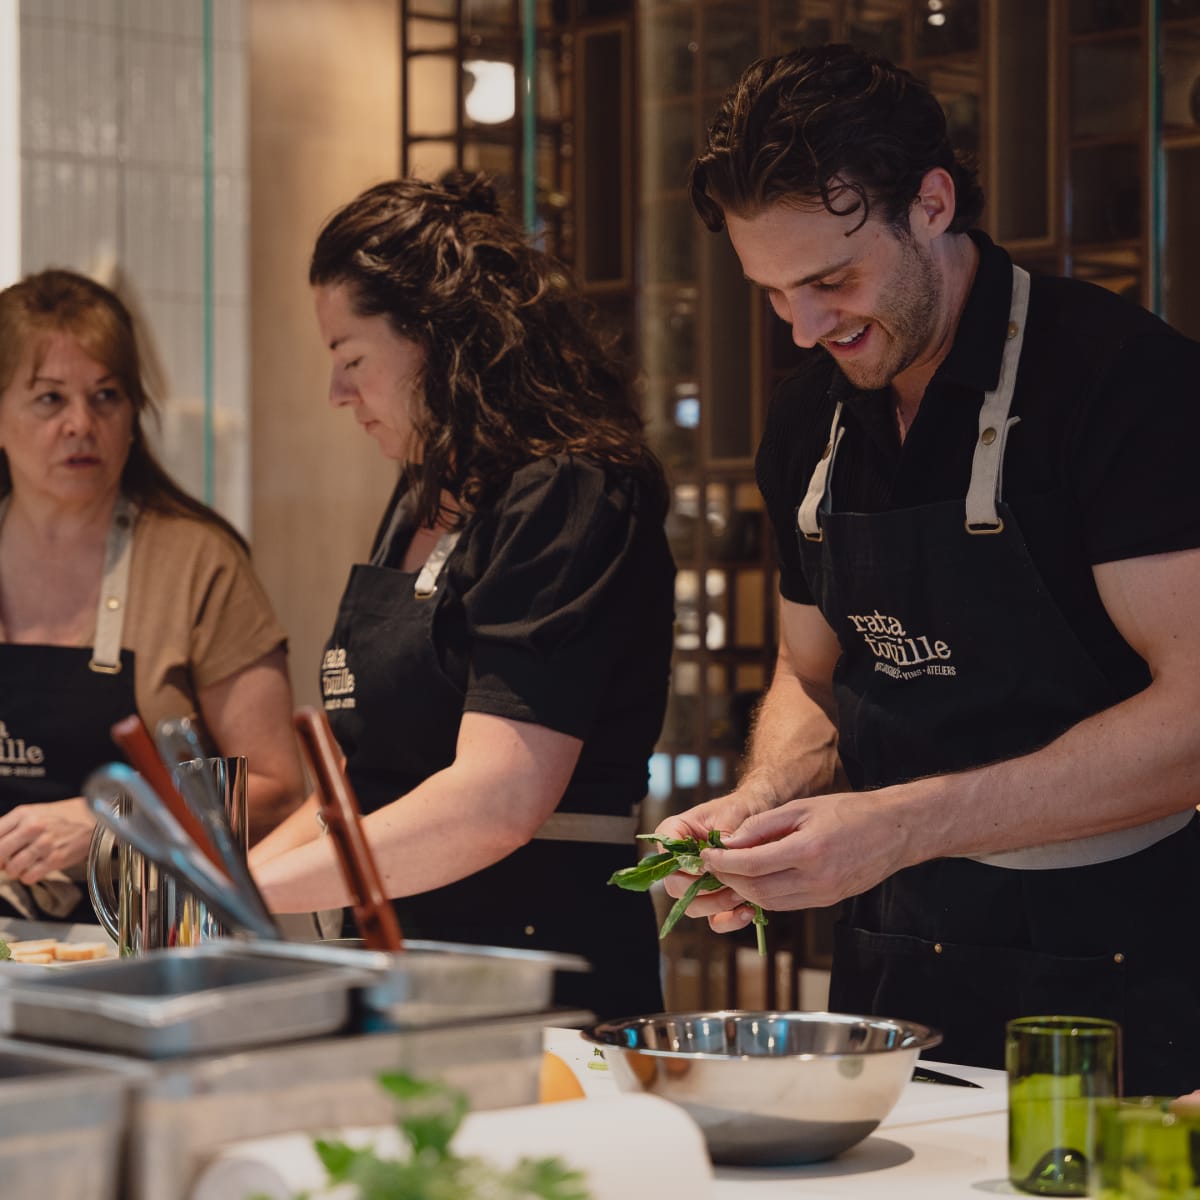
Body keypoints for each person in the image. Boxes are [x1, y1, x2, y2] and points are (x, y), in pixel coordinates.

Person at [656, 44, 1200, 1095]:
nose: (808, 328)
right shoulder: (809, 418)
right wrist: (764, 802)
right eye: (773, 296)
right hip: (891, 958)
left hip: (1121, 968)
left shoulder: (1122, 383)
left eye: (832, 280)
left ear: (935, 203)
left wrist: (900, 822)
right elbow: (814, 677)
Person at [249, 172, 675, 1020]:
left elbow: (496, 801)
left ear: (440, 339)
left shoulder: (570, 492)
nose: (337, 394)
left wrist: (246, 894)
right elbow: (352, 787)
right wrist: (217, 896)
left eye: (350, 358)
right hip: (404, 964)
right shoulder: (417, 494)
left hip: (538, 972)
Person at [0, 268, 306, 922]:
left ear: (134, 416)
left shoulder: (199, 561)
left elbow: (278, 788)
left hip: (160, 944)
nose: (82, 423)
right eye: (49, 399)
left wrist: (112, 820)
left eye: (106, 396)